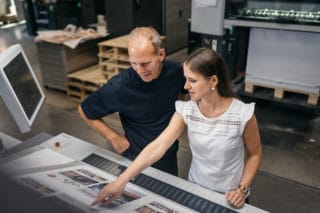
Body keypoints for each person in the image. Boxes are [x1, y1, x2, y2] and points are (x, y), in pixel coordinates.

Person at [91, 47, 262, 209]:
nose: (186, 86)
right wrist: (122, 181)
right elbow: (158, 146)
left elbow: (255, 155)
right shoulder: (187, 110)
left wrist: (242, 189)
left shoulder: (243, 114)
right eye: (186, 78)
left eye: (192, 80)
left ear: (214, 81)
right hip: (196, 190)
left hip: (232, 196)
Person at [78, 27, 186, 176]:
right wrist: (113, 137)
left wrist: (177, 113)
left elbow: (184, 91)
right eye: (134, 63)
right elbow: (84, 110)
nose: (140, 70)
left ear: (161, 54)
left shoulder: (177, 72)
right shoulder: (119, 87)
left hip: (168, 157)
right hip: (136, 163)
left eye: (145, 63)